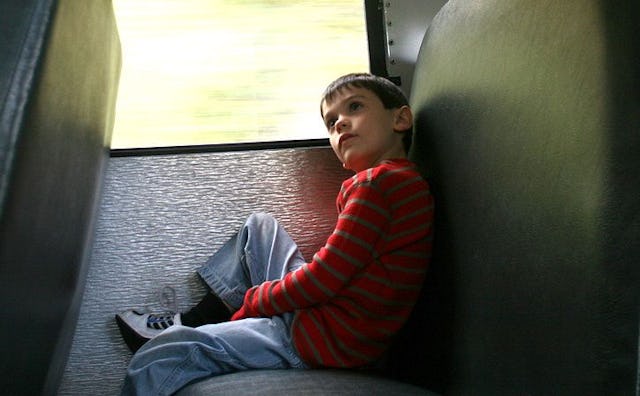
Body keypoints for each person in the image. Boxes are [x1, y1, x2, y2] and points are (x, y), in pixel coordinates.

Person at [115, 72, 434, 395]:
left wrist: (255, 303)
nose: (339, 123)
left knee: (157, 357)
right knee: (260, 228)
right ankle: (196, 321)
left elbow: (322, 280)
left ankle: (192, 329)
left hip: (325, 339)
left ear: (401, 119)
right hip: (331, 319)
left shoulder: (376, 185)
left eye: (354, 107)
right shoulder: (393, 181)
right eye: (331, 121)